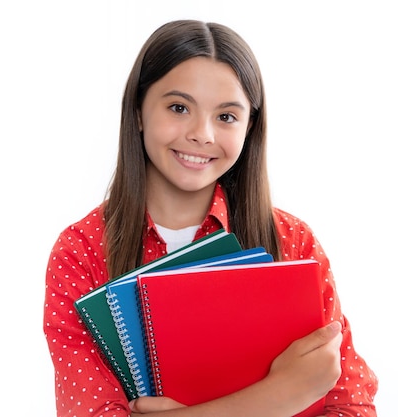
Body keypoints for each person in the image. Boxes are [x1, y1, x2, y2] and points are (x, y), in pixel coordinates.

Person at [43, 19, 378, 417]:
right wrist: (282, 395)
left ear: (249, 126)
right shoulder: (81, 252)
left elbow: (351, 406)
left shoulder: (293, 242)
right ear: (137, 111)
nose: (202, 134)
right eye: (179, 107)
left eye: (226, 116)